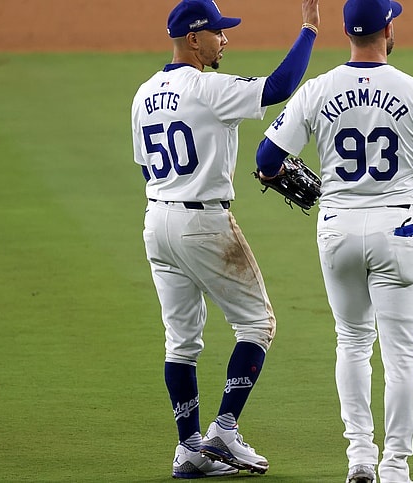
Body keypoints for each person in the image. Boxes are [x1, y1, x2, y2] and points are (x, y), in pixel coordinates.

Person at [255, 1, 413, 481]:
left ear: (348, 32)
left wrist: (277, 174)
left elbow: (266, 155)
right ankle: (394, 466)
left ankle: (359, 457)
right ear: (388, 28)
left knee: (352, 342)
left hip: (337, 228)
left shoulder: (318, 89)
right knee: (401, 354)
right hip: (399, 230)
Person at [130, 0, 320, 478]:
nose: (224, 39)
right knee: (258, 325)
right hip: (203, 223)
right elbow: (278, 87)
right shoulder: (208, 87)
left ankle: (190, 450)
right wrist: (309, 29)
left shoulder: (143, 93)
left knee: (181, 343)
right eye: (217, 32)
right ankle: (225, 430)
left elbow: (143, 164)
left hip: (157, 221)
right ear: (193, 39)